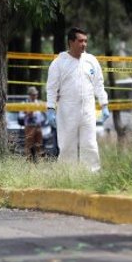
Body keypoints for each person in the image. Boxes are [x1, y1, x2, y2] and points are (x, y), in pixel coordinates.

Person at [46, 27, 109, 171]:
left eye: (86, 41)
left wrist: (104, 104)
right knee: (67, 144)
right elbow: (51, 88)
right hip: (67, 110)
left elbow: (99, 84)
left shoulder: (91, 61)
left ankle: (92, 174)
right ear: (71, 42)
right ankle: (67, 175)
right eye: (80, 41)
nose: (84, 44)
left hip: (88, 109)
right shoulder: (59, 63)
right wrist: (50, 108)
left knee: (90, 144)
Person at [19, 86, 45, 162]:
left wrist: (40, 121)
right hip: (29, 126)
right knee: (29, 145)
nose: (35, 96)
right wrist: (27, 114)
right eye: (33, 94)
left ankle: (39, 161)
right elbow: (20, 116)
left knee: (39, 144)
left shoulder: (39, 103)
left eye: (35, 94)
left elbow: (42, 116)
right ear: (29, 95)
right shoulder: (24, 103)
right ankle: (29, 162)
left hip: (38, 126)